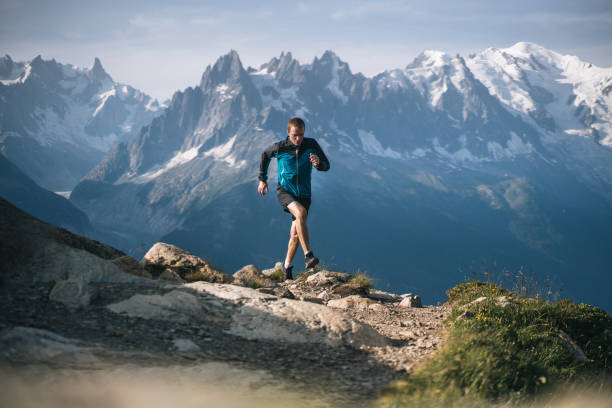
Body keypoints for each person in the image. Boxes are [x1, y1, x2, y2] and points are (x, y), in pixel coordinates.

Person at [258, 117, 330, 280]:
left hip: (304, 194)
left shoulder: (311, 145)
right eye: (295, 135)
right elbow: (265, 155)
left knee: (295, 235)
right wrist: (262, 179)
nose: (298, 139)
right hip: (285, 191)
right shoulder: (280, 147)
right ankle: (308, 256)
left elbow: (326, 165)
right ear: (288, 133)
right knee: (301, 213)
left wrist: (318, 164)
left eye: (301, 135)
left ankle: (287, 268)